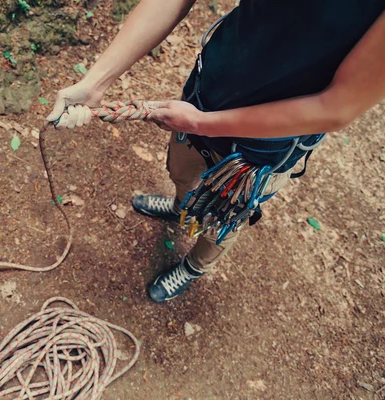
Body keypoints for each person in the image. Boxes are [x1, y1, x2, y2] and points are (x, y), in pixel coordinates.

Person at [47, 0, 385, 303]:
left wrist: (202, 124)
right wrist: (95, 83)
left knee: (221, 220)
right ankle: (182, 208)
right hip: (203, 95)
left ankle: (195, 265)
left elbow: (337, 107)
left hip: (261, 149)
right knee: (182, 173)